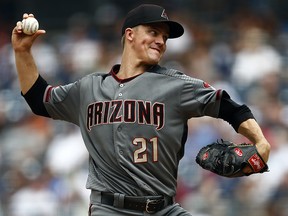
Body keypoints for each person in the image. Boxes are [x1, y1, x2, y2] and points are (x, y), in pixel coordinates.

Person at [11, 4, 270, 216]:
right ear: (130, 34)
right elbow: (38, 99)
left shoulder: (176, 85)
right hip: (109, 209)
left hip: (164, 208)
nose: (161, 41)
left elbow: (229, 107)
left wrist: (260, 141)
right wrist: (22, 52)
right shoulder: (88, 88)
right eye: (153, 32)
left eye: (164, 37)